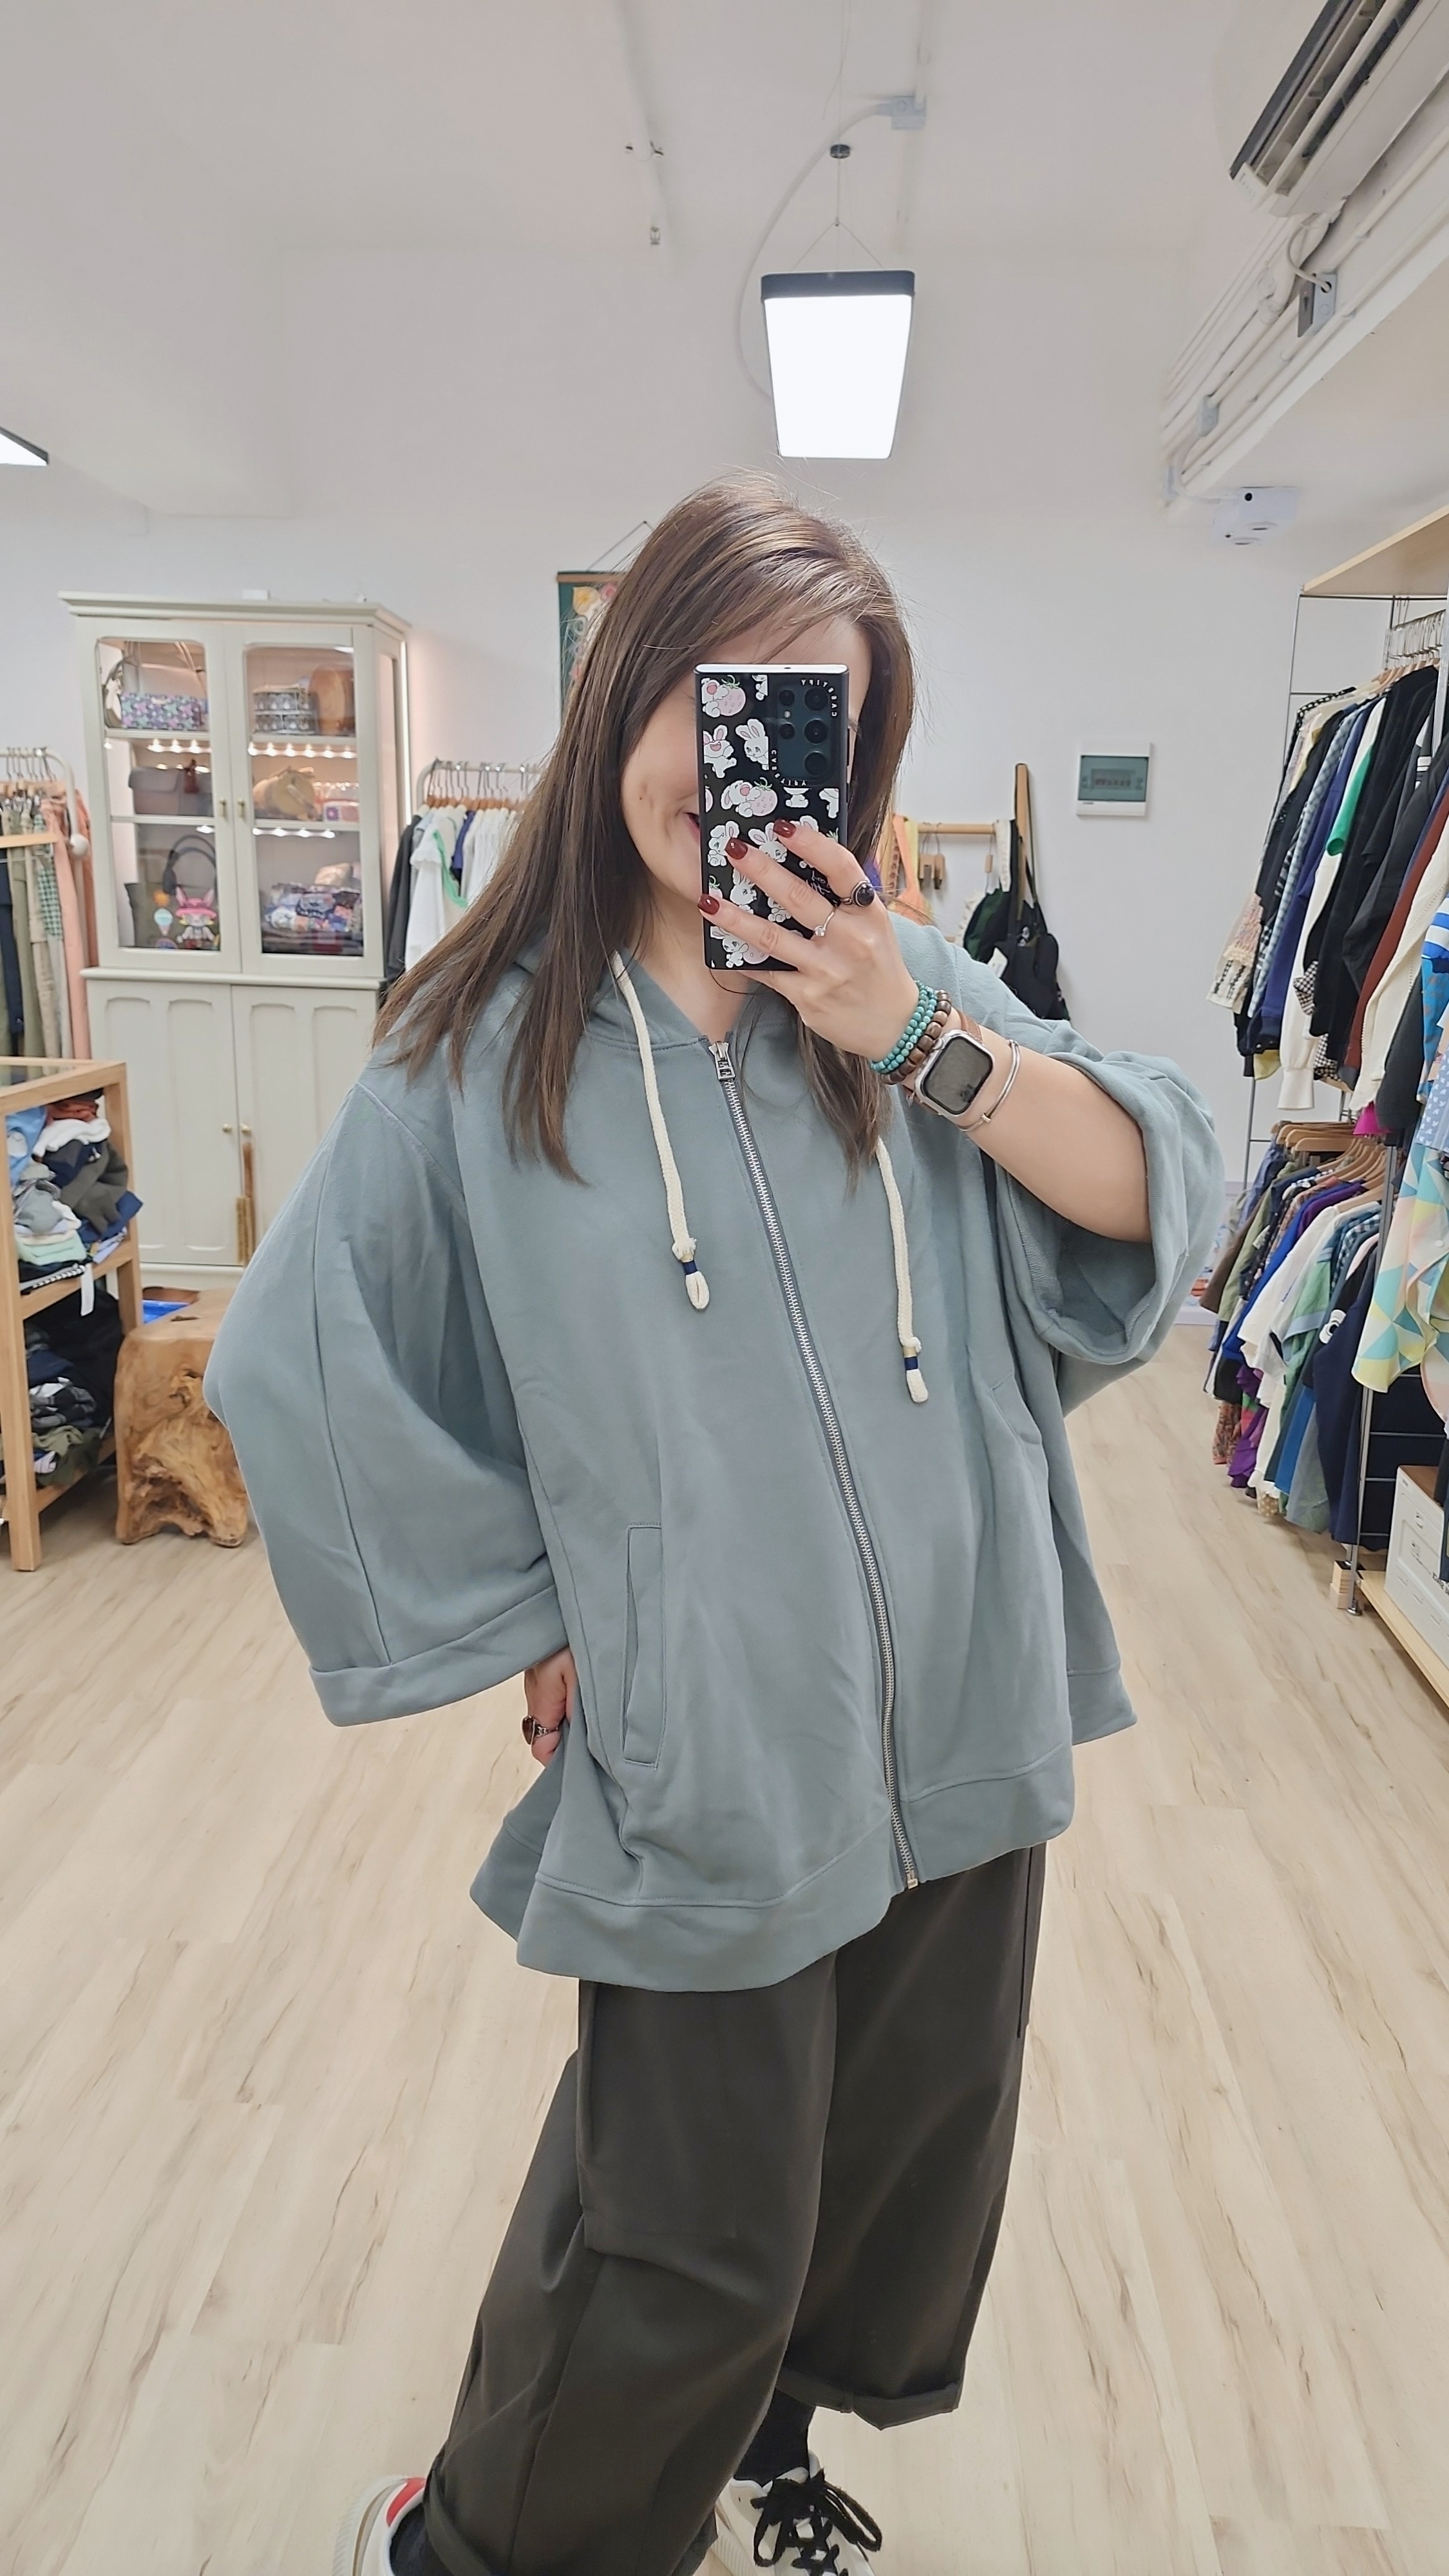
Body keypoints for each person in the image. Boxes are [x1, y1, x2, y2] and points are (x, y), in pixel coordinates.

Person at [206, 475, 1221, 2576]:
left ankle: (752, 2444)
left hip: (959, 1688)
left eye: (797, 719)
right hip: (716, 1740)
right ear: (619, 697)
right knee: (679, 2234)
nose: (725, 757)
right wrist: (544, 1602)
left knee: (881, 2167)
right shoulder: (478, 1053)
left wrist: (909, 1033)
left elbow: (1154, 1186)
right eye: (698, 690)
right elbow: (299, 1363)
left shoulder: (901, 985)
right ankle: (467, 2544)